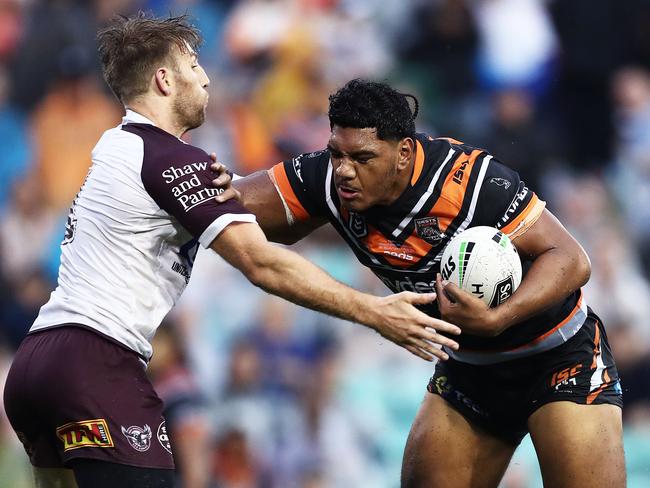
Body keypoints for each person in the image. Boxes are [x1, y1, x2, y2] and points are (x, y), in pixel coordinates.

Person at [1, 16, 462, 488]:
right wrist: (375, 311)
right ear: (164, 79)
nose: (205, 77)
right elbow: (261, 264)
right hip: (96, 364)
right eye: (193, 64)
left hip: (36, 364)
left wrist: (229, 188)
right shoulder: (171, 159)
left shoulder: (116, 147)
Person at [215, 79, 626, 487]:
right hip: (471, 369)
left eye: (362, 158)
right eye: (336, 154)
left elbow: (571, 259)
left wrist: (499, 318)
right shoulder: (327, 179)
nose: (344, 171)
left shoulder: (472, 182)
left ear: (404, 153)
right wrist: (202, 178)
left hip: (557, 356)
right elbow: (232, 199)